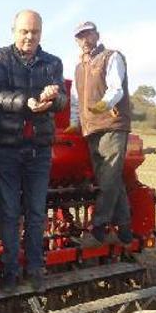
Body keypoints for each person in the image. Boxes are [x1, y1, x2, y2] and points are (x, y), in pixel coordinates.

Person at [0, 10, 68, 293]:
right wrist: (26, 103)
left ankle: (34, 267)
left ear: (41, 33)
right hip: (6, 147)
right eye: (24, 31)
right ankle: (10, 268)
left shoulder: (52, 63)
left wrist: (53, 99)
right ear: (14, 31)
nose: (29, 37)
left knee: (35, 211)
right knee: (9, 211)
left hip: (39, 148)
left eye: (34, 32)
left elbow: (63, 100)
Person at [67, 21, 133, 245]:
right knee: (111, 178)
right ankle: (124, 226)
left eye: (88, 34)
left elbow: (116, 88)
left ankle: (99, 225)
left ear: (96, 35)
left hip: (112, 124)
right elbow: (75, 100)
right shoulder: (78, 68)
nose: (84, 40)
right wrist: (74, 122)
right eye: (80, 37)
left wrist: (104, 105)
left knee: (109, 178)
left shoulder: (111, 57)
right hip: (90, 129)